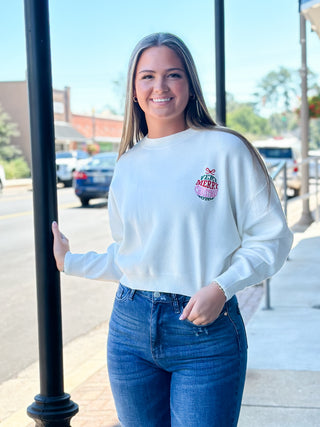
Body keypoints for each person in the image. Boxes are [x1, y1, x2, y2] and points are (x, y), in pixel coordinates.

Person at [52, 32, 293, 427]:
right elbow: (132, 256)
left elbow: (273, 239)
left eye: (173, 75)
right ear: (133, 89)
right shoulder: (128, 164)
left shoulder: (225, 149)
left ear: (190, 85)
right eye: (147, 76)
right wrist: (70, 262)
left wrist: (222, 287)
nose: (160, 87)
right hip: (129, 328)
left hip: (205, 334)